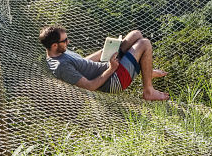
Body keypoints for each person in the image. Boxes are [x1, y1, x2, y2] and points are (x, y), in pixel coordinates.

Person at [40, 26, 169, 101]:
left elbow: (84, 62)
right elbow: (89, 86)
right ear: (54, 45)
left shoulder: (60, 52)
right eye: (65, 40)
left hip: (109, 66)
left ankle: (146, 71)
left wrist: (105, 51)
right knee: (144, 43)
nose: (68, 42)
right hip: (113, 80)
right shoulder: (61, 66)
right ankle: (148, 91)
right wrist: (111, 69)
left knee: (136, 34)